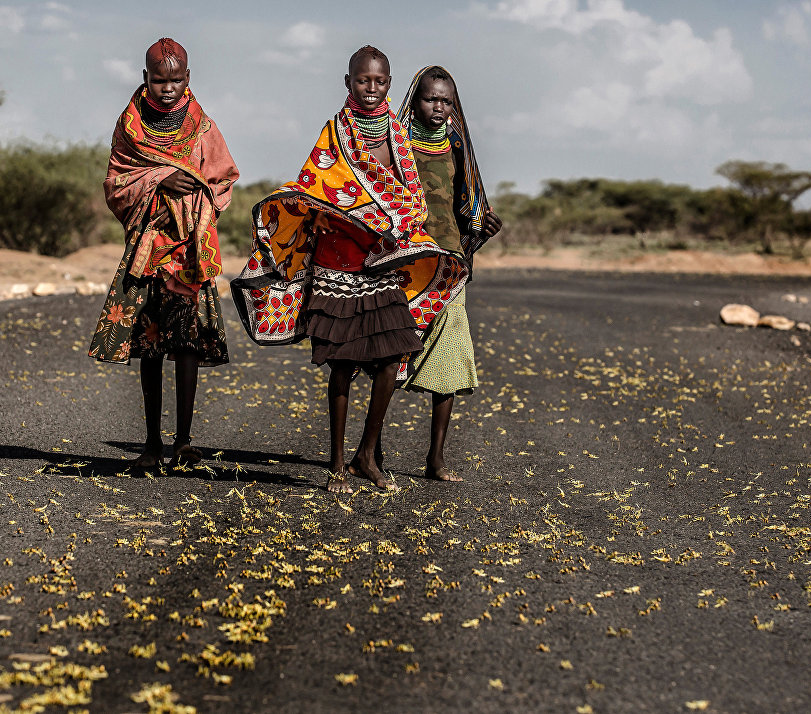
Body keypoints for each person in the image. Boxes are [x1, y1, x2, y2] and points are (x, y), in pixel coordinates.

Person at [232, 46, 463, 493]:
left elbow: (408, 191)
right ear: (347, 82)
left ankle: (365, 454)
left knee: (392, 357)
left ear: (389, 85)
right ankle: (337, 464)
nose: (371, 89)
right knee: (342, 363)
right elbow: (315, 187)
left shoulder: (397, 132)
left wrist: (392, 226)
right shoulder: (334, 133)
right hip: (338, 262)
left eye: (379, 82)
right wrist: (355, 212)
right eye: (363, 81)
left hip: (382, 261)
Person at [89, 38, 239, 472]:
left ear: (187, 78)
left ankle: (185, 443)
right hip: (149, 250)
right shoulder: (130, 125)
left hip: (189, 250)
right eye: (159, 80)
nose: (167, 88)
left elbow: (224, 179)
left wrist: (197, 205)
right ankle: (152, 443)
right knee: (151, 344)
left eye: (175, 79)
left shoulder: (203, 126)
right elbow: (117, 183)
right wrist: (160, 180)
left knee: (187, 344)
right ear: (145, 79)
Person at [395, 66, 502, 481]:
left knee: (450, 356)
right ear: (415, 99)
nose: (439, 108)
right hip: (401, 260)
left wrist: (483, 227)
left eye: (446, 101)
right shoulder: (395, 140)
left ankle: (435, 459)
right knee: (384, 358)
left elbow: (468, 204)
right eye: (430, 99)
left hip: (449, 262)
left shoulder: (457, 143)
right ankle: (372, 453)